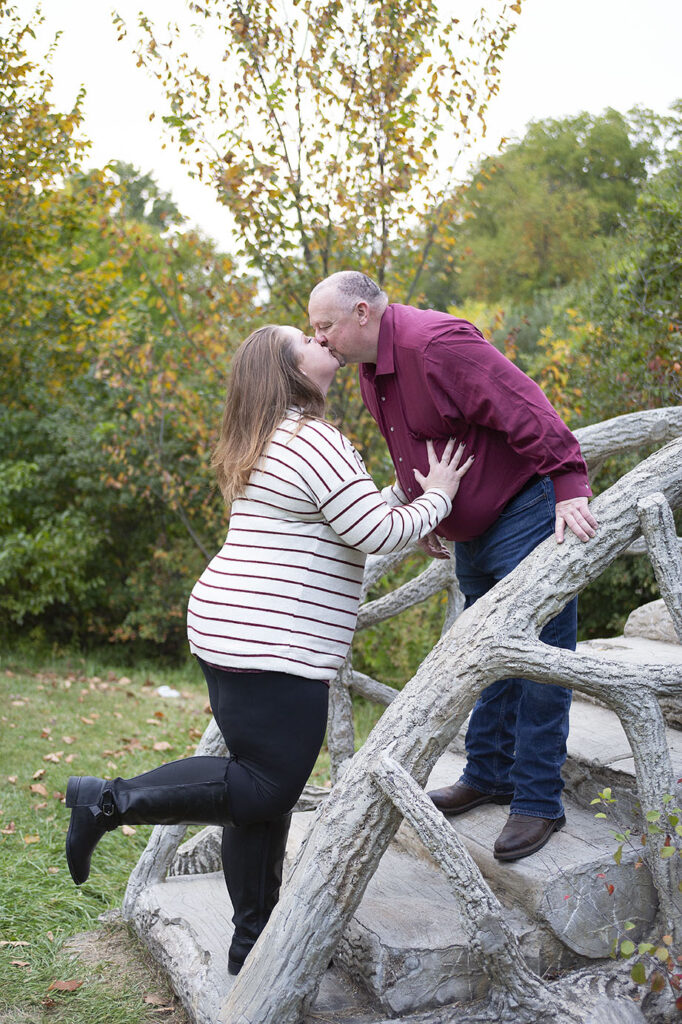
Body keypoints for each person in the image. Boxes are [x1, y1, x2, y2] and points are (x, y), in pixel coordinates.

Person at [64, 324, 474, 975]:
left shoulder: (268, 437)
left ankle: (252, 941)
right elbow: (370, 532)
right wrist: (440, 497)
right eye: (306, 340)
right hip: (269, 641)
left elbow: (344, 515)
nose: (323, 343)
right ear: (288, 371)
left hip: (232, 631)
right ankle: (106, 801)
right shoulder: (316, 439)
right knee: (263, 787)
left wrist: (408, 498)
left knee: (259, 792)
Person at [308, 271, 598, 863]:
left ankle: (539, 800)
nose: (320, 340)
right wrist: (428, 518)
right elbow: (415, 448)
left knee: (541, 660)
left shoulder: (434, 345)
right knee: (484, 654)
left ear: (361, 313)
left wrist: (569, 483)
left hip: (524, 511)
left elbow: (524, 403)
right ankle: (489, 774)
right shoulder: (371, 371)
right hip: (469, 534)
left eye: (325, 326)